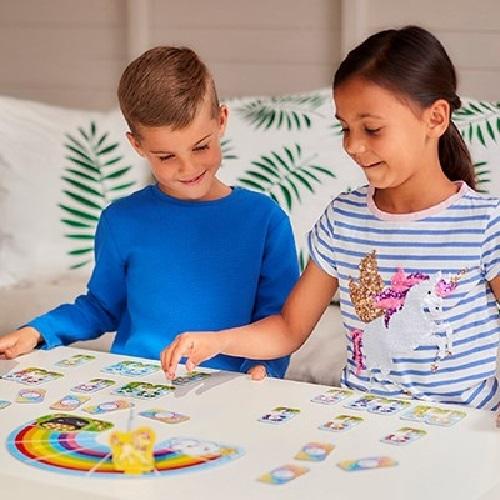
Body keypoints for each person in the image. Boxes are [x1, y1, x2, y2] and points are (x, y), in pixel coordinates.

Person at [161, 27, 500, 409]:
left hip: (459, 429)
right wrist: (216, 341)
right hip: (362, 423)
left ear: (435, 118)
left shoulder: (485, 224)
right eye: (346, 128)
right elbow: (289, 328)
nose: (353, 145)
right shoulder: (344, 219)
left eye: (372, 129)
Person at [0, 46, 299, 380]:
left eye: (200, 146)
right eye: (166, 157)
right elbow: (102, 306)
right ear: (137, 145)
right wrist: (37, 331)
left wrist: (264, 369)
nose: (188, 168)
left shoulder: (265, 220)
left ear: (222, 121)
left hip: (228, 387)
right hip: (135, 386)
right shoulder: (120, 221)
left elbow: (280, 321)